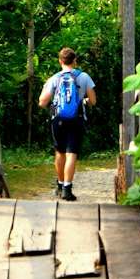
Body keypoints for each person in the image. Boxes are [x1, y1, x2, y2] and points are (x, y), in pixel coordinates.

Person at [38, 47, 96, 201]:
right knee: (71, 153)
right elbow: (93, 101)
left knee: (60, 152)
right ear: (74, 60)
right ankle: (67, 189)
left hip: (58, 120)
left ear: (60, 61)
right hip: (76, 119)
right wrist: (84, 101)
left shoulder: (54, 78)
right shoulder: (84, 77)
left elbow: (42, 102)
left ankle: (60, 184)